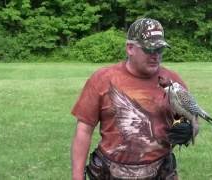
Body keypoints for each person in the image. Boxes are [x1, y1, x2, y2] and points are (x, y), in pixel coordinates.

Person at [71, 18, 194, 180]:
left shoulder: (173, 82)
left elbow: (190, 121)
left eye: (160, 50)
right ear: (130, 48)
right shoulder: (102, 79)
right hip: (110, 172)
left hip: (160, 172)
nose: (155, 56)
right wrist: (77, 176)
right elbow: (84, 130)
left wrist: (189, 129)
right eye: (149, 50)